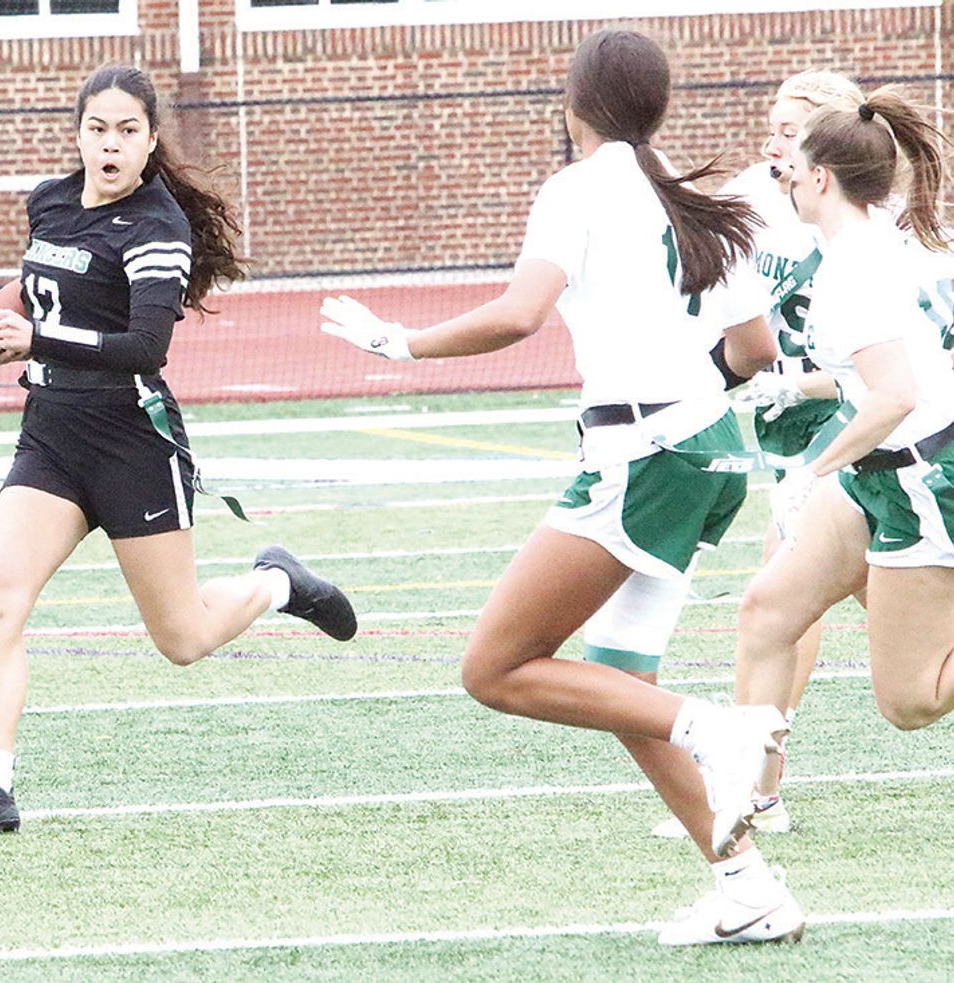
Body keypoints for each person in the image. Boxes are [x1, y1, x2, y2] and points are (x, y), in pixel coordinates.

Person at [322, 29, 804, 946]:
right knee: (619, 678)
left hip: (647, 456)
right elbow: (753, 354)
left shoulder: (578, 189)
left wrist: (399, 342)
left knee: (495, 667)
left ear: (575, 104)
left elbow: (518, 314)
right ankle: (746, 884)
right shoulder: (695, 198)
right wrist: (677, 386)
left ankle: (714, 726)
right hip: (710, 450)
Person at [0, 64, 357, 836]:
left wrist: (38, 337)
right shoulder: (50, 201)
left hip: (130, 440)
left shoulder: (158, 226)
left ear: (151, 140)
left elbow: (143, 343)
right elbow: (41, 283)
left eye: (127, 130)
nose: (110, 144)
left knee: (182, 639)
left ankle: (278, 584)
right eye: (97, 128)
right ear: (78, 133)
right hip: (52, 433)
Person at [651, 69, 864, 841]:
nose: (769, 143)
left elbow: (888, 363)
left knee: (776, 606)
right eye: (769, 126)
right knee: (904, 639)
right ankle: (755, 789)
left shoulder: (865, 218)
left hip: (852, 432)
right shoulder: (756, 192)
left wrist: (803, 384)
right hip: (789, 435)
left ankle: (751, 790)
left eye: (787, 131)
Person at [734, 89, 954, 770]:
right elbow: (881, 370)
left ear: (822, 177)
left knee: (910, 700)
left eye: (792, 167)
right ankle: (751, 797)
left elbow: (892, 395)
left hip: (920, 470)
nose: (785, 179)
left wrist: (813, 467)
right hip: (885, 468)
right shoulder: (886, 237)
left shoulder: (854, 265)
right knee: (768, 613)